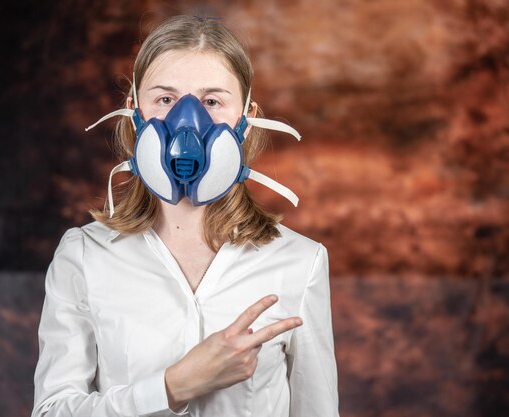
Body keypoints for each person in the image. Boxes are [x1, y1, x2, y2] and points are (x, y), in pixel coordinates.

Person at [32, 15, 339, 417]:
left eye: (212, 101)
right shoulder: (85, 256)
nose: (187, 122)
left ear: (245, 119)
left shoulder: (300, 261)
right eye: (165, 99)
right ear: (134, 112)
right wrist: (174, 386)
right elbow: (51, 411)